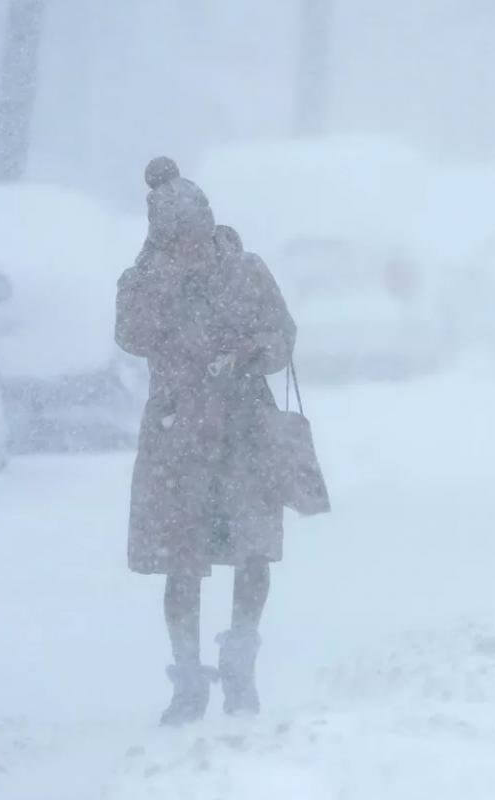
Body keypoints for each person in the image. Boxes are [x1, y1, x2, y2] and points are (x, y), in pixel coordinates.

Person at [115, 157, 297, 725]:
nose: (187, 249)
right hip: (178, 437)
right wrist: (156, 273)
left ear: (208, 225)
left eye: (192, 236)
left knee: (252, 550)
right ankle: (188, 680)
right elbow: (130, 335)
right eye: (173, 241)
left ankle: (240, 667)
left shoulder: (247, 270)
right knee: (180, 562)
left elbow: (281, 336)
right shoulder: (146, 279)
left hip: (244, 430)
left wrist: (247, 354)